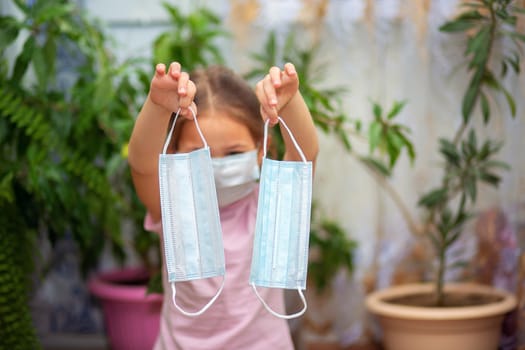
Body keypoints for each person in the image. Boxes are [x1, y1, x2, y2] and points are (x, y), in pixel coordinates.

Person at [128, 61, 318, 350]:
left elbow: (305, 154)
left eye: (234, 153)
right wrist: (157, 106)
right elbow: (142, 166)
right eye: (199, 153)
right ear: (173, 155)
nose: (217, 166)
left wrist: (288, 103)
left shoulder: (270, 205)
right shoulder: (175, 207)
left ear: (260, 150)